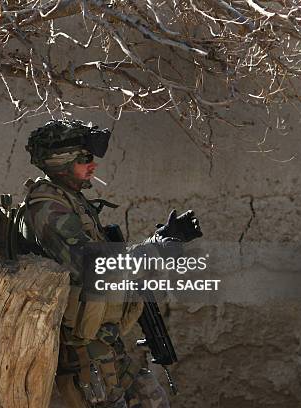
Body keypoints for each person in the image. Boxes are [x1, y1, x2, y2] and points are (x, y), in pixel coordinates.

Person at [18, 119, 202, 408]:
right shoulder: (47, 207)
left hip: (106, 341)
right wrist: (154, 249)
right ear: (61, 162)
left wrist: (162, 239)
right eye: (85, 159)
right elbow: (92, 265)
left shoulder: (73, 202)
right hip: (83, 352)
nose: (93, 166)